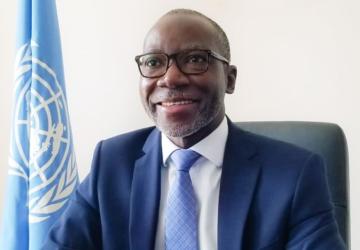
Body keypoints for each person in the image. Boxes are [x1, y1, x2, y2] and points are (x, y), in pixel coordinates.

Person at [43, 9, 346, 250]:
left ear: (229, 79)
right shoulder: (111, 162)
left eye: (196, 59)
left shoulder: (293, 175)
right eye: (153, 62)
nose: (170, 78)